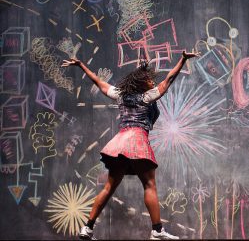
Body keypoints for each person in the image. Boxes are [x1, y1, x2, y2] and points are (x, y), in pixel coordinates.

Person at [62, 50, 200, 240]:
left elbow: (99, 83)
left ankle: (87, 227)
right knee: (149, 184)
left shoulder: (120, 96)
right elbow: (169, 80)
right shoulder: (146, 97)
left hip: (119, 143)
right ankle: (157, 231)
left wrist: (81, 65)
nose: (152, 82)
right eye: (149, 80)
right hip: (136, 141)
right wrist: (183, 60)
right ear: (142, 83)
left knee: (109, 186)